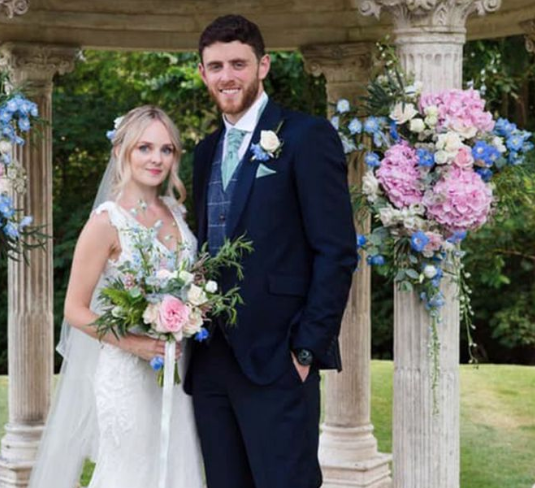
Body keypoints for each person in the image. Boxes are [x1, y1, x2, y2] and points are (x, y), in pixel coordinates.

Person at [185, 15, 358, 488]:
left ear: (263, 65)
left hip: (279, 357)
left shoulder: (306, 136)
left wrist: (306, 349)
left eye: (238, 63)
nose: (227, 76)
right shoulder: (205, 151)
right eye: (216, 66)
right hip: (209, 360)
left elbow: (337, 251)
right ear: (202, 72)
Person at [28, 106, 204, 488]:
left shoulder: (177, 213)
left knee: (177, 469)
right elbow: (74, 310)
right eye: (144, 147)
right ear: (121, 151)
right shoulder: (106, 222)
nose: (156, 158)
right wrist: (135, 343)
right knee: (130, 473)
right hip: (127, 374)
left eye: (166, 149)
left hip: (178, 369)